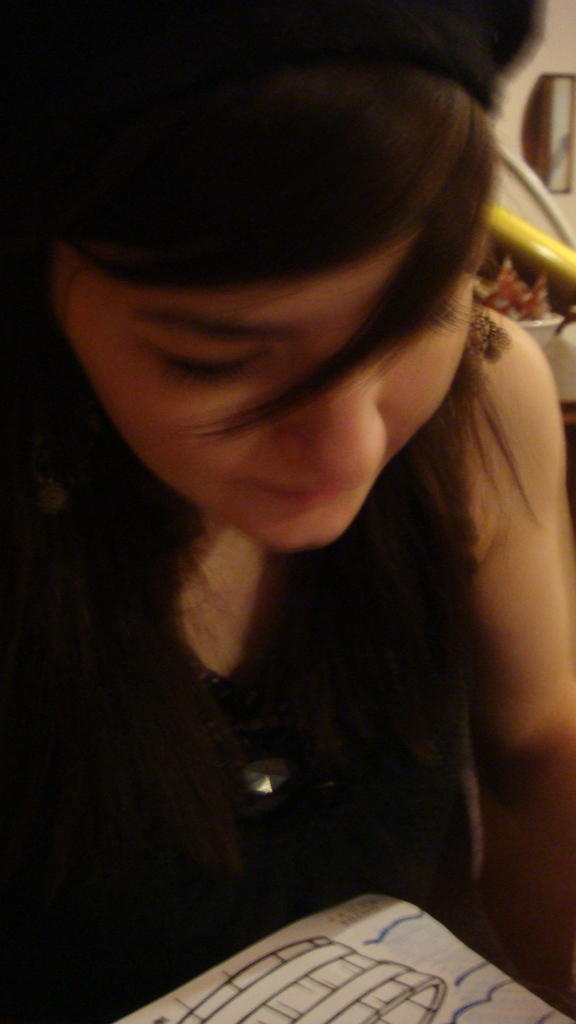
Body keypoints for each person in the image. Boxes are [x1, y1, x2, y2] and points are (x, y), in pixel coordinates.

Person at [2, 0, 576, 1020]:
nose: (352, 451)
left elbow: (537, 739)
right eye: (216, 361)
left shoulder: (488, 400)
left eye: (418, 315)